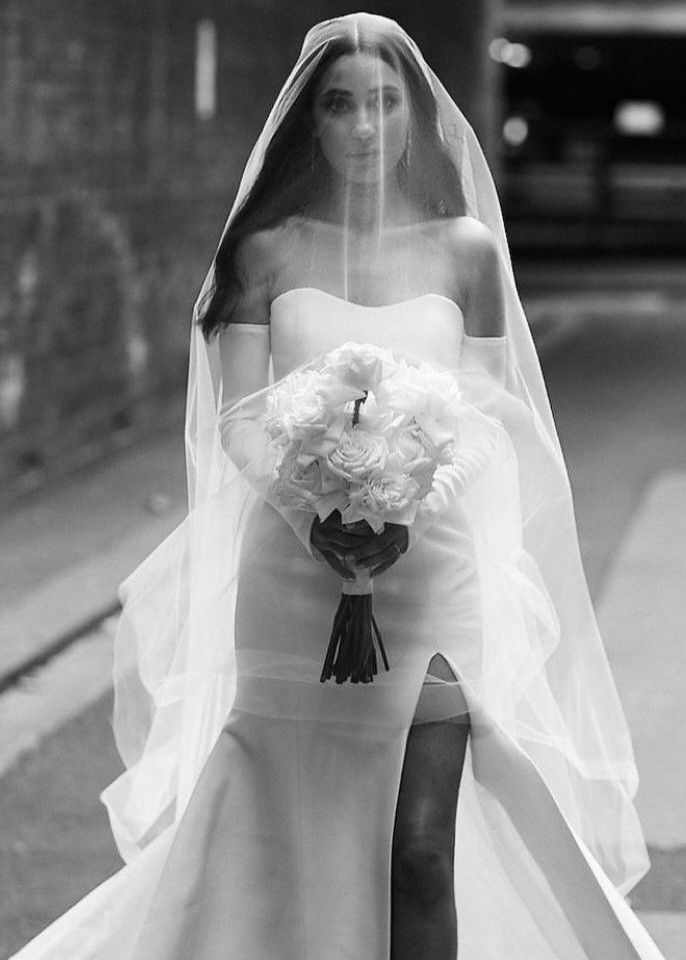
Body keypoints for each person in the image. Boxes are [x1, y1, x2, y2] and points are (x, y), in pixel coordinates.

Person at [9, 13, 668, 960]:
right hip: (292, 579)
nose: (364, 127)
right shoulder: (265, 254)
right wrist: (315, 518)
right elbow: (241, 418)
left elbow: (486, 409)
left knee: (419, 851)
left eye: (384, 103)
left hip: (434, 581)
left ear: (415, 117)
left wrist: (412, 510)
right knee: (289, 833)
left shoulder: (467, 250)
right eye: (340, 105)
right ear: (309, 123)